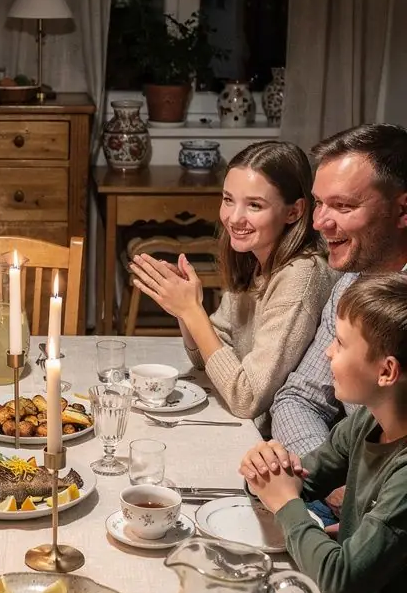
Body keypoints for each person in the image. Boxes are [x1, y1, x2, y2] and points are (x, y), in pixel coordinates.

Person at [239, 273, 407, 593]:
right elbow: (300, 478)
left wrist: (285, 502)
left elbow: (338, 584)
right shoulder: (367, 422)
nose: (328, 352)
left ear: (386, 370)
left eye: (341, 342)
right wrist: (266, 470)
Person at [129, 141, 334, 431]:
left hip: (271, 442)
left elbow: (246, 397)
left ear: (295, 211)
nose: (234, 218)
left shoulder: (301, 276)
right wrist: (187, 310)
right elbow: (206, 360)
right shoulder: (255, 257)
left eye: (254, 205)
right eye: (228, 199)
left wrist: (191, 311)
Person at [271, 124, 407, 459]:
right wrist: (327, 476)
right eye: (319, 203)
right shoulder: (349, 284)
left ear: (402, 211)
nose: (319, 222)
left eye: (343, 206)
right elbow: (300, 398)